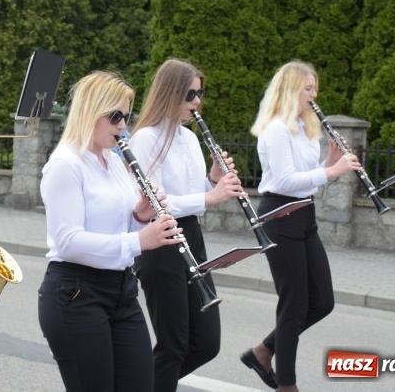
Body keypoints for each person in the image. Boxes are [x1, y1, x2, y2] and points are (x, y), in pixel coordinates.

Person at [38, 70, 184, 392]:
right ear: (91, 110)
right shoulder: (66, 163)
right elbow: (69, 241)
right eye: (115, 116)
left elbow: (119, 224)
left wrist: (141, 215)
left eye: (126, 116)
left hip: (121, 289)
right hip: (76, 292)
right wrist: (139, 239)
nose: (123, 125)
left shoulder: (115, 162)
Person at [241, 61, 361, 392]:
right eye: (308, 88)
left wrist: (330, 162)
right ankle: (287, 385)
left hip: (304, 215)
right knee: (293, 304)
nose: (314, 94)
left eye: (315, 88)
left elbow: (305, 180)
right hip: (280, 216)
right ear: (291, 89)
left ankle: (263, 351)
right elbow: (284, 180)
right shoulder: (276, 128)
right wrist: (333, 173)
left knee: (322, 301)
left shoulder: (303, 127)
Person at [128, 58, 247, 391]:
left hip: (191, 235)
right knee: (173, 346)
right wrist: (211, 197)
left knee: (206, 343)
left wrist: (214, 178)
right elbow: (153, 202)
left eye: (200, 93)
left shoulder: (190, 139)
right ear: (171, 93)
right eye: (190, 94)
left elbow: (196, 197)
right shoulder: (145, 139)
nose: (198, 102)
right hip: (161, 241)